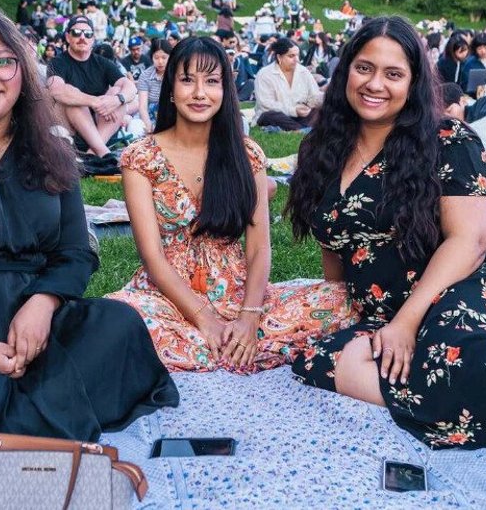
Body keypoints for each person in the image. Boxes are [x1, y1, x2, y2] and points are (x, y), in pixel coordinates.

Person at [0, 6, 178, 504]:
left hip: (34, 327)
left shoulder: (52, 146)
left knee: (119, 328)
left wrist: (44, 302)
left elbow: (75, 252)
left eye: (3, 62)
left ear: (23, 72)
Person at [286, 16, 486, 448]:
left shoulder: (451, 138)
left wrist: (406, 324)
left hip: (457, 284)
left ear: (414, 82)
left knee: (480, 366)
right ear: (346, 70)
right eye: (364, 68)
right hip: (378, 309)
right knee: (309, 351)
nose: (375, 84)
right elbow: (333, 242)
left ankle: (414, 382)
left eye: (393, 74)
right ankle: (419, 388)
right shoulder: (319, 147)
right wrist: (339, 307)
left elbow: (471, 241)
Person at [106, 37, 356, 372]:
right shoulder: (140, 157)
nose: (199, 93)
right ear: (169, 89)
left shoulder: (247, 154)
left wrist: (249, 318)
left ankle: (233, 346)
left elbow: (259, 250)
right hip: (166, 298)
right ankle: (232, 350)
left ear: (225, 90)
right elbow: (152, 257)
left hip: (239, 294)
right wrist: (203, 318)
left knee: (342, 300)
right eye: (187, 80)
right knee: (114, 319)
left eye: (211, 82)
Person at [46, 13, 138, 157]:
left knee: (117, 91)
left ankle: (91, 154)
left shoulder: (102, 62)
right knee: (72, 95)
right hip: (71, 128)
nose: (82, 37)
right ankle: (102, 153)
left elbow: (131, 87)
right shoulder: (58, 62)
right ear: (68, 37)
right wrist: (96, 102)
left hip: (101, 127)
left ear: (93, 39)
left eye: (88, 34)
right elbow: (56, 90)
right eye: (76, 33)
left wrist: (115, 100)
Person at [253, 37, 321, 131]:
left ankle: (299, 130)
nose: (296, 59)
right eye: (291, 56)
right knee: (269, 115)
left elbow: (314, 96)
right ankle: (302, 130)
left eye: (297, 55)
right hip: (277, 116)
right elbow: (266, 104)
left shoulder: (303, 71)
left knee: (319, 111)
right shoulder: (264, 74)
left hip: (300, 116)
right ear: (279, 57)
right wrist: (293, 110)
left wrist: (321, 100)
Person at [136, 38, 172, 134]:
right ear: (151, 57)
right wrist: (148, 125)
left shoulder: (176, 74)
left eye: (164, 58)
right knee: (136, 127)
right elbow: (143, 106)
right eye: (156, 58)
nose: (160, 62)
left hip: (171, 114)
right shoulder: (145, 75)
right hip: (151, 115)